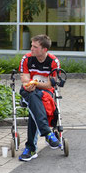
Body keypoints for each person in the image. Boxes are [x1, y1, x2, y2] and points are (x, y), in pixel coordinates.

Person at [18, 34, 62, 162]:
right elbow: (25, 80)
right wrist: (29, 85)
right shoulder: (26, 59)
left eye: (35, 47)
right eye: (31, 46)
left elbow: (50, 84)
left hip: (45, 93)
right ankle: (47, 133)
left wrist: (36, 84)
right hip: (28, 91)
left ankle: (31, 148)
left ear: (44, 50)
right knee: (33, 96)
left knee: (34, 103)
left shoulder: (54, 62)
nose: (31, 49)